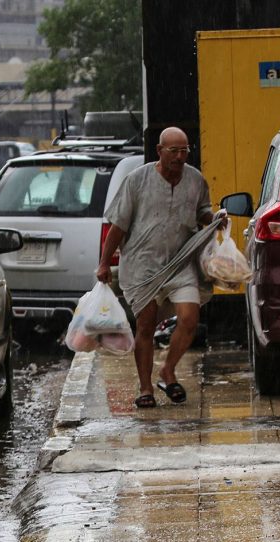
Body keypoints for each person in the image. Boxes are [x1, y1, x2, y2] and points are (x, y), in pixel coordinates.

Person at [96, 127, 226, 408]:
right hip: (142, 266)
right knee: (145, 325)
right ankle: (145, 388)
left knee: (190, 318)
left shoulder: (195, 179)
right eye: (174, 151)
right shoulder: (137, 180)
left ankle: (168, 371)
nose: (180, 157)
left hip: (180, 262)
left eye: (184, 151)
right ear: (160, 151)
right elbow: (118, 225)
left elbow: (201, 210)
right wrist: (104, 262)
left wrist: (214, 218)